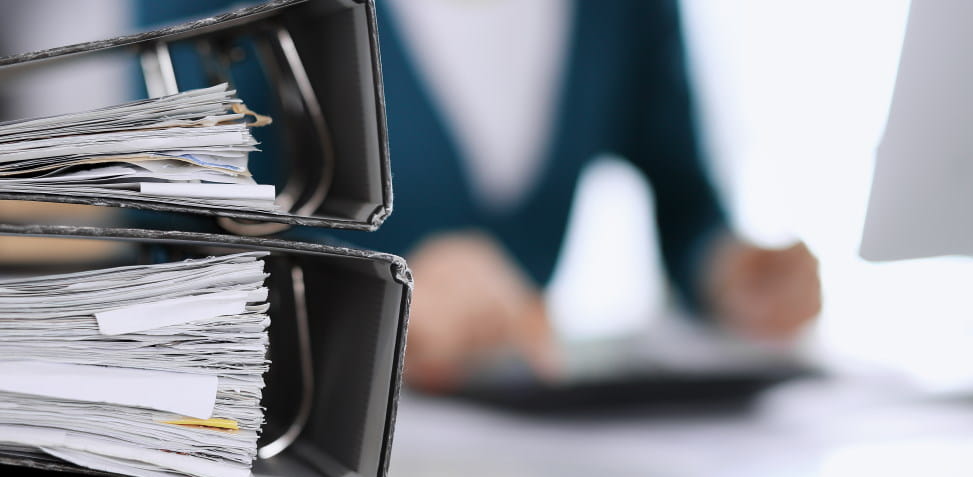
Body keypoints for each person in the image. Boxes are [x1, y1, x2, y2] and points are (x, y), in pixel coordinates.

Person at [138, 0, 821, 393]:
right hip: (304, 451)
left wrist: (727, 269)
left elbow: (685, 201)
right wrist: (366, 292)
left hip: (535, 474)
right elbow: (166, 217)